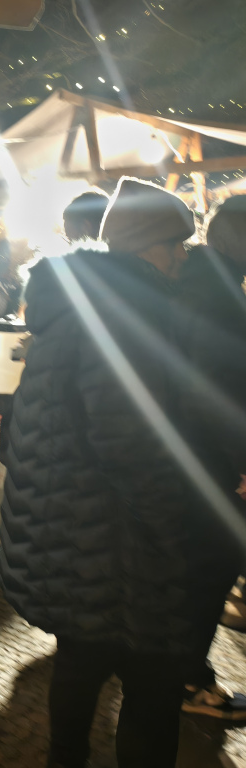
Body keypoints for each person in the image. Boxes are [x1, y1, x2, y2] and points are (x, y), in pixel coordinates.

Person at [0, 178, 199, 768]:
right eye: (174, 244)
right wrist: (170, 527)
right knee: (152, 684)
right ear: (144, 246)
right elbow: (126, 442)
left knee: (81, 659)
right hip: (113, 538)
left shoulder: (81, 305)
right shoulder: (125, 314)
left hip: (73, 530)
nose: (182, 256)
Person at [172, 195, 246, 719]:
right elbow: (214, 392)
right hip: (211, 462)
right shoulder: (219, 298)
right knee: (210, 572)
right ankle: (188, 681)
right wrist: (241, 463)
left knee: (201, 571)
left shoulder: (203, 283)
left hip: (195, 455)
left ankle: (180, 673)